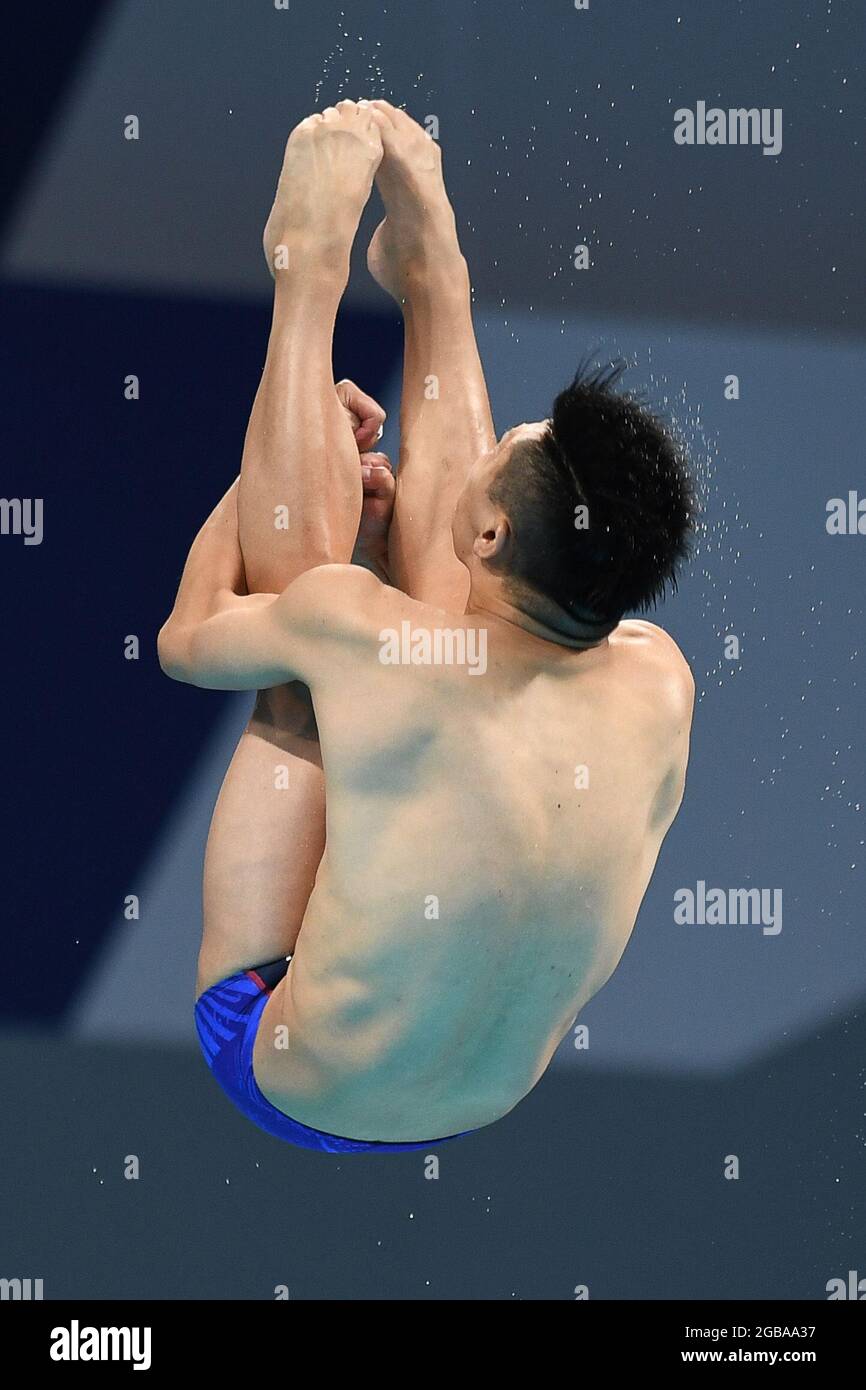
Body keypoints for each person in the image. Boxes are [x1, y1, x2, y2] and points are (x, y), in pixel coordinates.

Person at [158, 100, 696, 1152]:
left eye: (510, 444)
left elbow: (189, 637)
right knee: (410, 639)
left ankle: (306, 283)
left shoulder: (360, 637)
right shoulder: (662, 677)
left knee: (310, 663)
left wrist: (257, 484)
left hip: (279, 1063)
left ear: (490, 525)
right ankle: (432, 274)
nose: (504, 432)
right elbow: (494, 625)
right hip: (477, 1096)